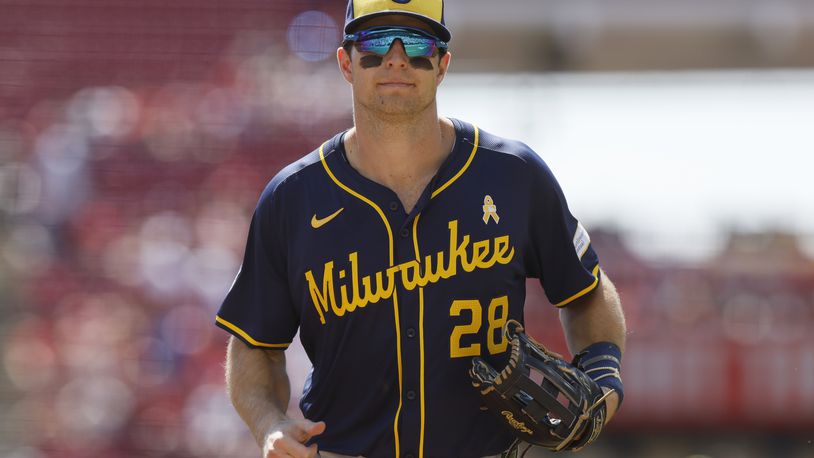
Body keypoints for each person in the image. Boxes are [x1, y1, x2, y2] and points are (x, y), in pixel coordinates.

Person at [215, 1, 627, 457]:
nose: (396, 59)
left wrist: (603, 372)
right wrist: (269, 423)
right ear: (346, 62)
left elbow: (585, 290)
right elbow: (254, 345)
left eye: (416, 44)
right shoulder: (292, 197)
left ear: (442, 64)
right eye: (374, 43)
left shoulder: (513, 174)